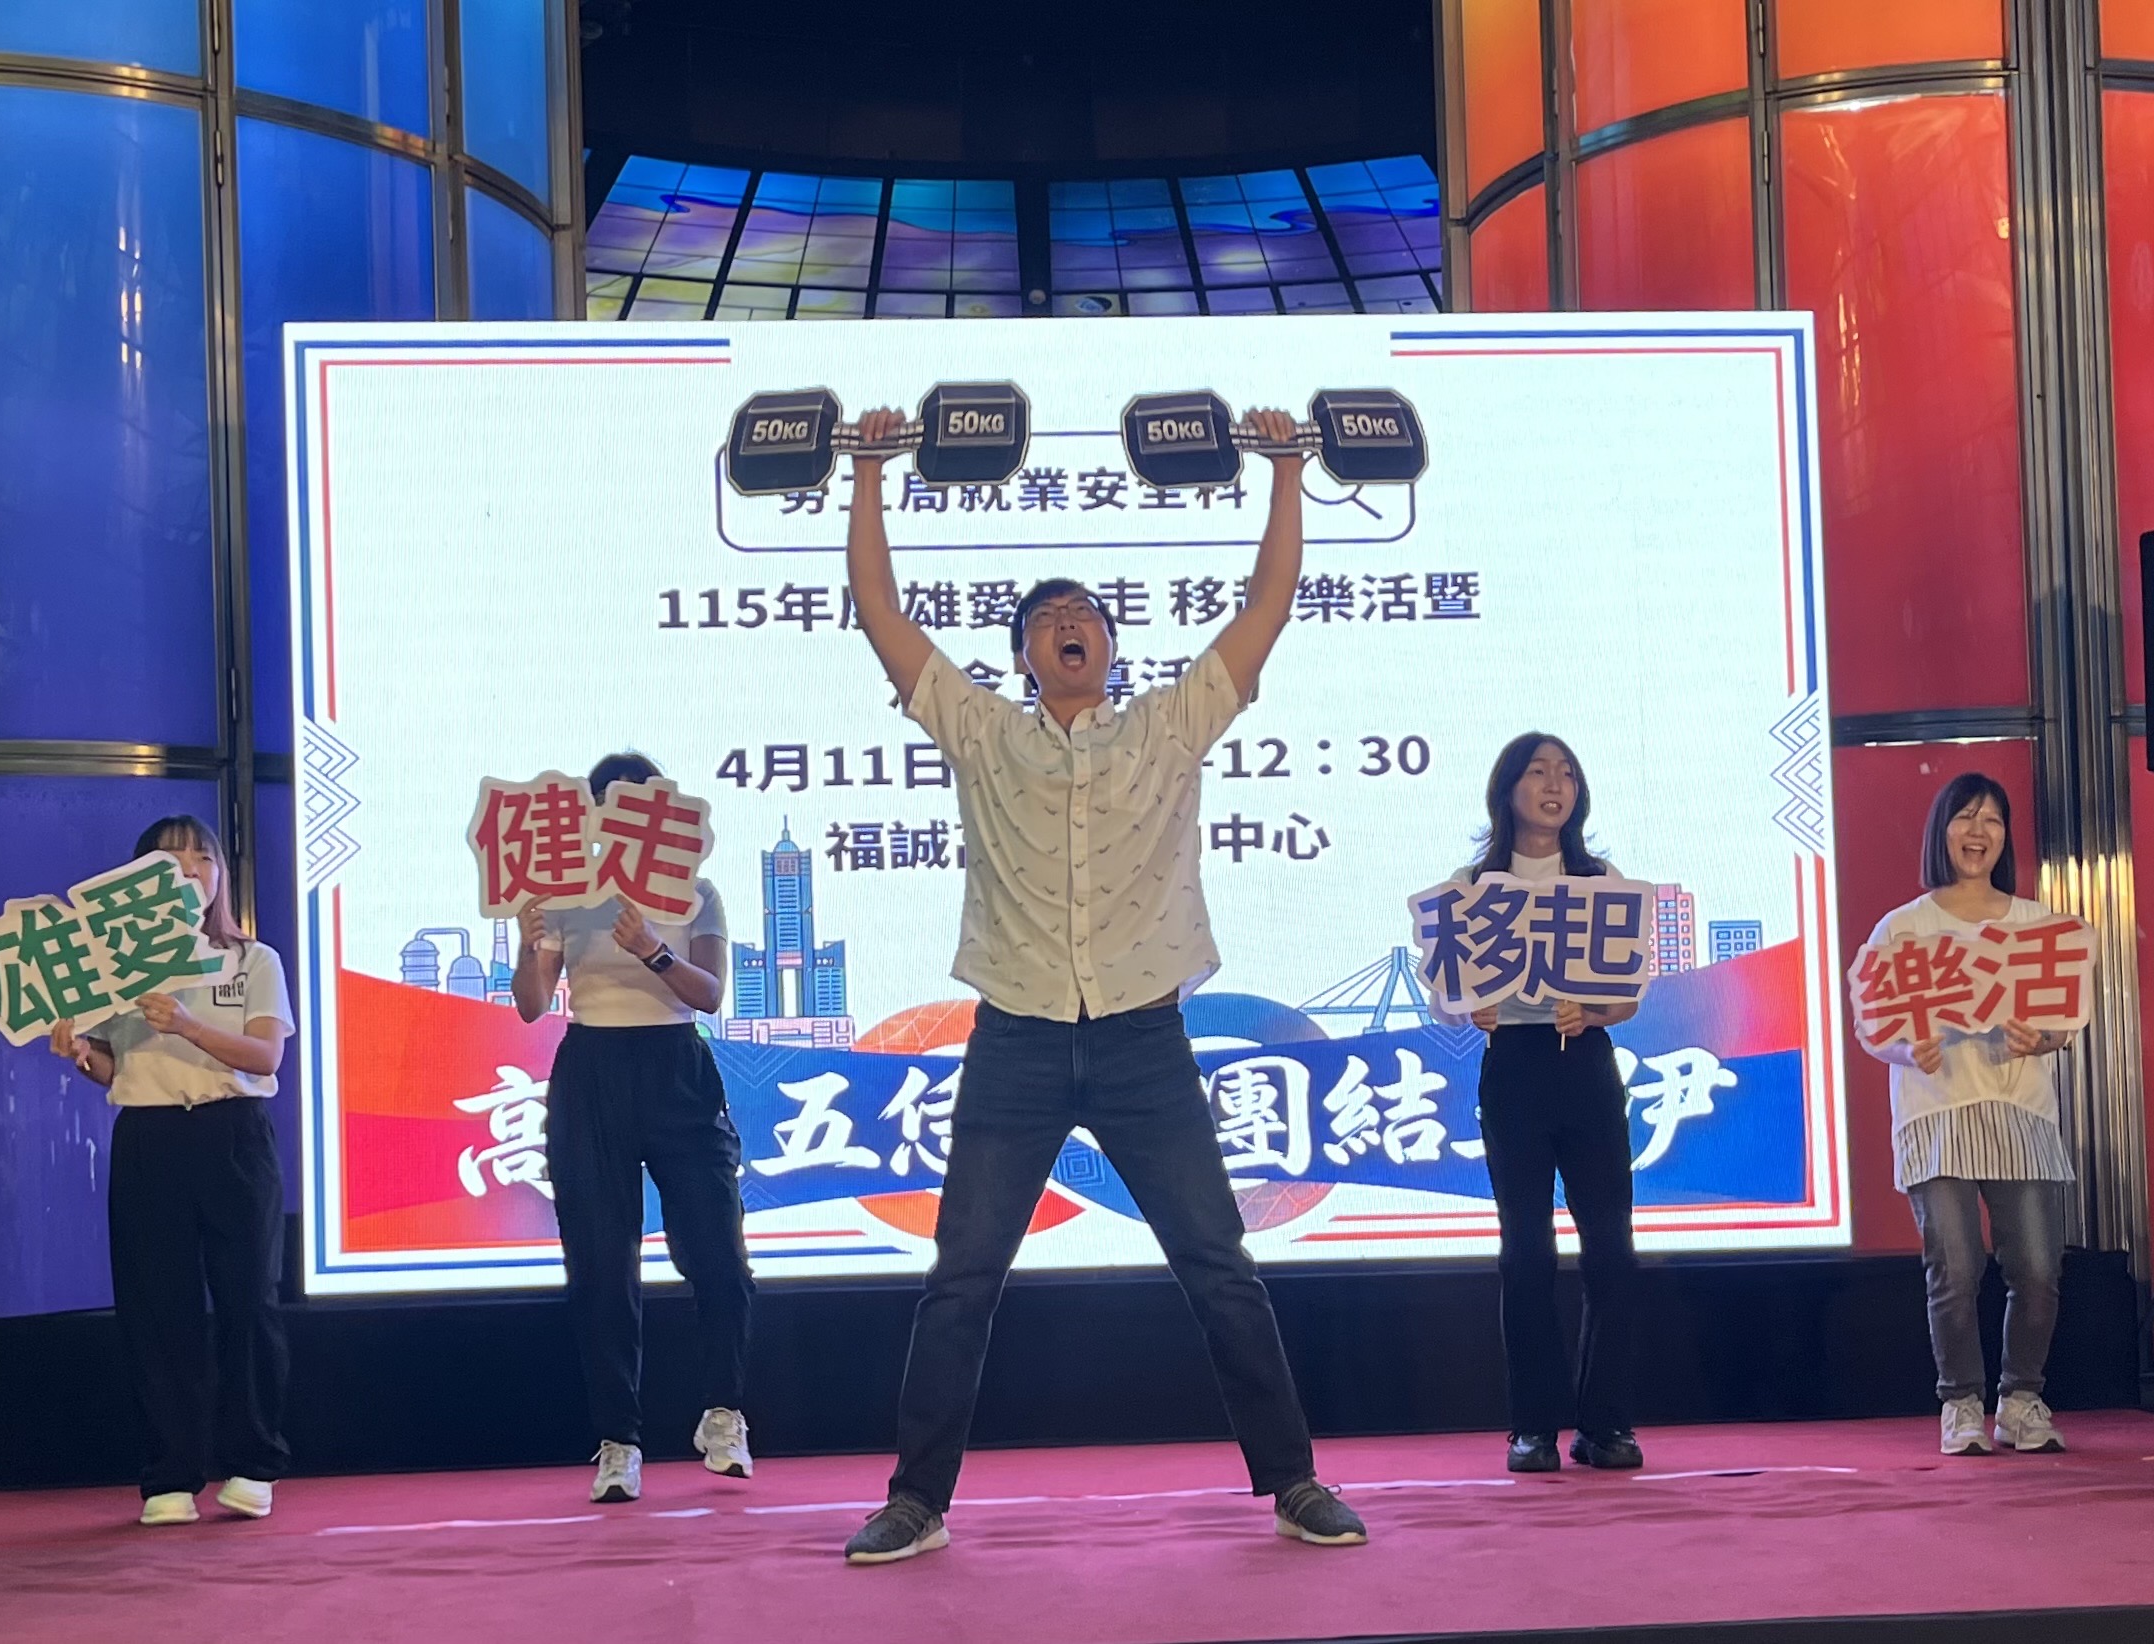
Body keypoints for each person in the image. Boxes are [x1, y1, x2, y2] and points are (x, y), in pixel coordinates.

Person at [833, 404, 1366, 1564]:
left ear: (1112, 648)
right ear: (1023, 656)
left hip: (1142, 1042)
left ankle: (1294, 1482)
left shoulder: (1168, 726)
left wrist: (1286, 468)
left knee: (1219, 1265)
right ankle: (917, 1500)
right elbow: (880, 610)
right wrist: (869, 469)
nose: (1070, 624)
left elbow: (1266, 606)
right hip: (1016, 1039)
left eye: (1086, 615)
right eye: (1048, 619)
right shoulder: (982, 732)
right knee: (962, 1278)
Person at [511, 752, 756, 1503]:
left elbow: (709, 993)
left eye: (636, 805)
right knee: (600, 1264)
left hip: (676, 1066)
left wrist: (651, 946)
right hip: (592, 1072)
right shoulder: (565, 894)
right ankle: (618, 1441)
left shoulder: (694, 891)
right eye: (606, 807)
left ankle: (724, 1414)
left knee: (718, 1254)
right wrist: (527, 940)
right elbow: (531, 1004)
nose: (620, 821)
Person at [49, 815, 295, 1526]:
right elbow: (113, 1067)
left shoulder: (251, 960)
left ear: (221, 874)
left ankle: (252, 1464)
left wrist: (187, 1023)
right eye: (170, 861)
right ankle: (170, 1474)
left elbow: (265, 1056)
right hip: (150, 1136)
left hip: (233, 1132)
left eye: (202, 859)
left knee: (249, 1300)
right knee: (158, 1310)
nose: (189, 872)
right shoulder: (114, 970)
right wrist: (80, 1056)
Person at [1857, 773, 2073, 1456]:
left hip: (2019, 1112)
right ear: (1941, 831)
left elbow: (2064, 1021)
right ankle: (1960, 1404)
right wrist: (1904, 1047)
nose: (1978, 832)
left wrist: (2043, 1039)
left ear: (2005, 837)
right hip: (1938, 1114)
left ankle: (2021, 1399)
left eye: (1992, 820)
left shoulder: (2036, 924)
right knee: (1954, 1269)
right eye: (1964, 817)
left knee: (2036, 1268)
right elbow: (1872, 1023)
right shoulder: (1904, 927)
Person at [1452, 735, 1644, 1476]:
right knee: (1526, 1250)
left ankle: (1606, 1424)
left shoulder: (1599, 881)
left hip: (1584, 1065)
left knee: (1610, 1247)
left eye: (1566, 772)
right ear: (1507, 789)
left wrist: (1591, 1012)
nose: (1554, 784)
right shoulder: (1474, 886)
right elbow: (1448, 991)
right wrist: (1468, 1009)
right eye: (1537, 772)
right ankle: (1531, 1427)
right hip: (1513, 1071)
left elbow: (1626, 997)